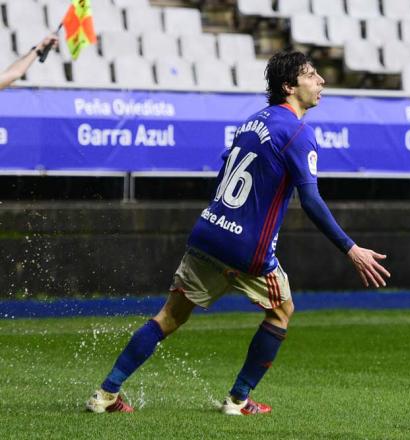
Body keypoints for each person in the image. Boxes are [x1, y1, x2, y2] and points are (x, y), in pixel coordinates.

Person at [85, 50, 391, 415]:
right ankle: (238, 400)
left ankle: (106, 394)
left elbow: (223, 170)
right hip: (247, 248)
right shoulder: (298, 133)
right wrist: (350, 248)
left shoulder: (251, 123)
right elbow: (310, 199)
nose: (321, 81)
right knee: (281, 312)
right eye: (311, 75)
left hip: (208, 232)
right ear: (289, 86)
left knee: (169, 317)